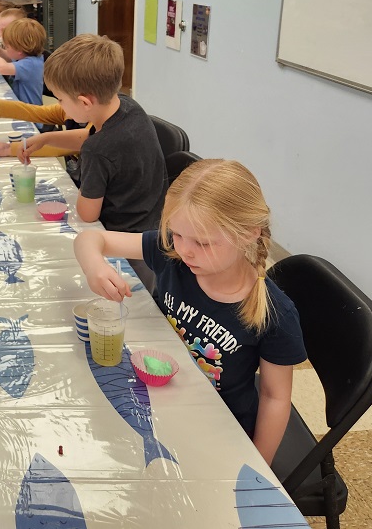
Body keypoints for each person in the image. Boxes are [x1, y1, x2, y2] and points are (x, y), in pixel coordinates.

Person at [72, 159, 306, 465]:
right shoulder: (173, 253)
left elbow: (276, 398)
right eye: (177, 234)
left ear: (249, 233)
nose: (185, 250)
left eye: (203, 242)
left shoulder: (275, 315)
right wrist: (94, 267)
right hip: (157, 400)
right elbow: (90, 238)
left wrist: (260, 464)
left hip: (216, 426)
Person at [19, 34, 165, 233]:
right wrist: (47, 138)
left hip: (122, 235)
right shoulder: (128, 106)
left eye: (60, 99)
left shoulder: (96, 151)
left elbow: (88, 215)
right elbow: (94, 138)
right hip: (152, 222)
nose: (59, 105)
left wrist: (85, 181)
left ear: (85, 103)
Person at [0, 92, 84, 161]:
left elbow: (62, 146)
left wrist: (7, 149)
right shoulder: (74, 109)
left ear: (84, 101)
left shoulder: (97, 132)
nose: (58, 104)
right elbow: (31, 111)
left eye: (61, 99)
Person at [0, 17, 46, 107]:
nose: (5, 48)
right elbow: (10, 58)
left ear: (19, 49)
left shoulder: (31, 64)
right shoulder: (25, 56)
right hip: (20, 107)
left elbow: (2, 68)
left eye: (6, 46)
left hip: (30, 115)